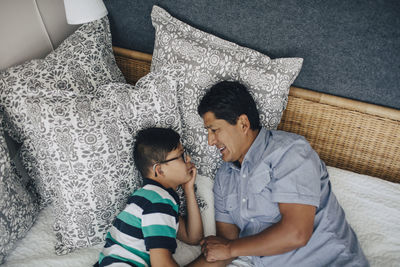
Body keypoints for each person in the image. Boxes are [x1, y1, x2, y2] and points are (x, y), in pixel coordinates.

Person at [188, 81, 368, 267]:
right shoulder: (224, 177)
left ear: (243, 123)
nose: (210, 141)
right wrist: (227, 249)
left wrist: (230, 248)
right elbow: (222, 248)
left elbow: (296, 233)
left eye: (214, 130)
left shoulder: (289, 152)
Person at [98, 127, 203, 267]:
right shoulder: (159, 202)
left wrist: (189, 190)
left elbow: (193, 237)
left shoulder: (149, 197)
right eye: (182, 156)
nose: (188, 160)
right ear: (159, 170)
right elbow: (162, 264)